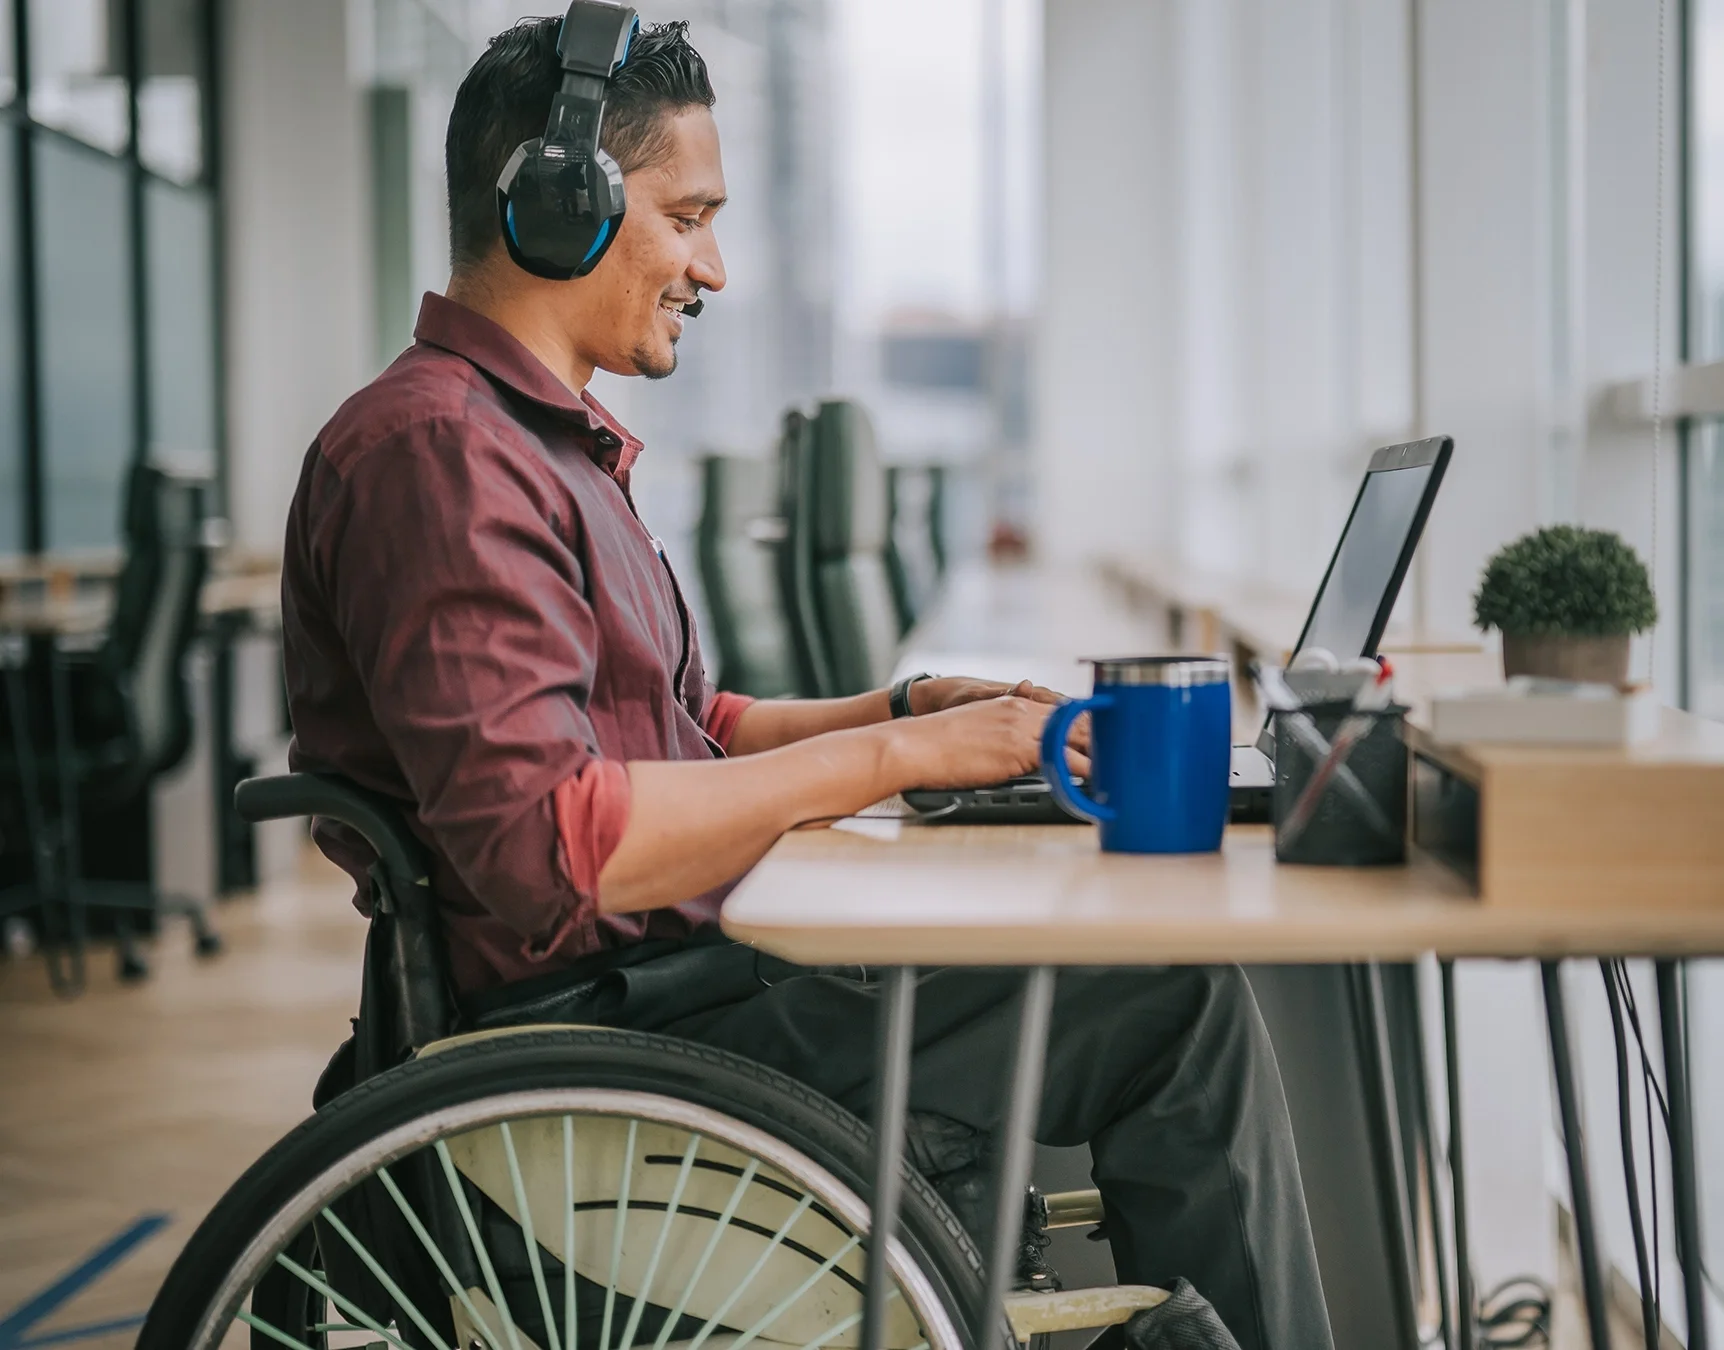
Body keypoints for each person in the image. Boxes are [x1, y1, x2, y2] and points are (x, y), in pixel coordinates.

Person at [279, 14, 1334, 1349]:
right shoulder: (442, 455)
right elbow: (552, 847)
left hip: (683, 982)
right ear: (560, 202)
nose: (714, 266)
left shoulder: (535, 446)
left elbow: (685, 730)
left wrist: (899, 715)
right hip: (610, 1037)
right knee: (1173, 1006)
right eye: (689, 215)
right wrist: (891, 766)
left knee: (1148, 985)